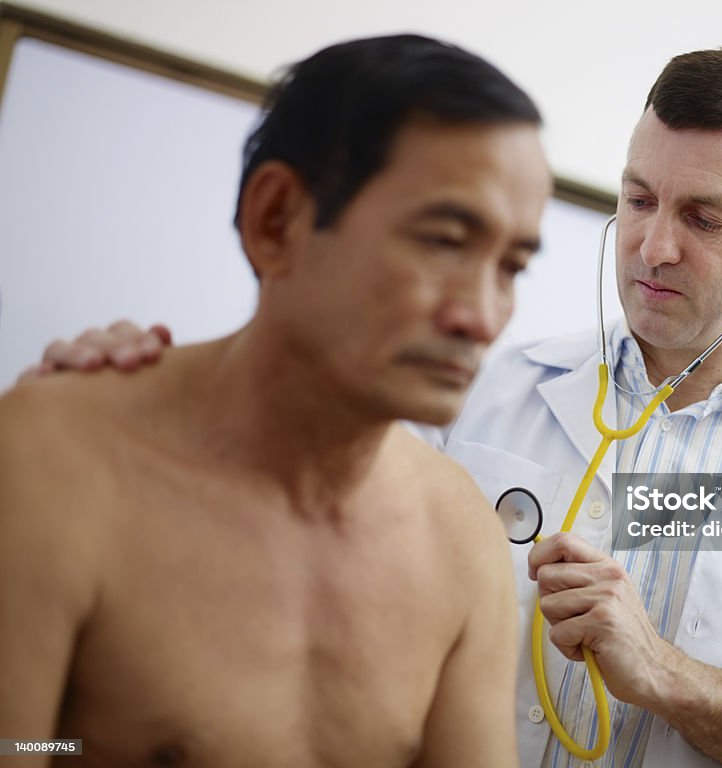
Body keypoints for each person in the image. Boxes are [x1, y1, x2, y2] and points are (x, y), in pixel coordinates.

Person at [23, 48, 722, 768]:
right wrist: (125, 406)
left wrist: (671, 679)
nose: (652, 246)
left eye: (704, 219)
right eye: (637, 200)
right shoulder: (466, 393)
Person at [0, 34, 552, 767]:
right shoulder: (53, 463)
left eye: (511, 266)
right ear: (277, 220)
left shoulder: (462, 541)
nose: (481, 317)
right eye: (445, 241)